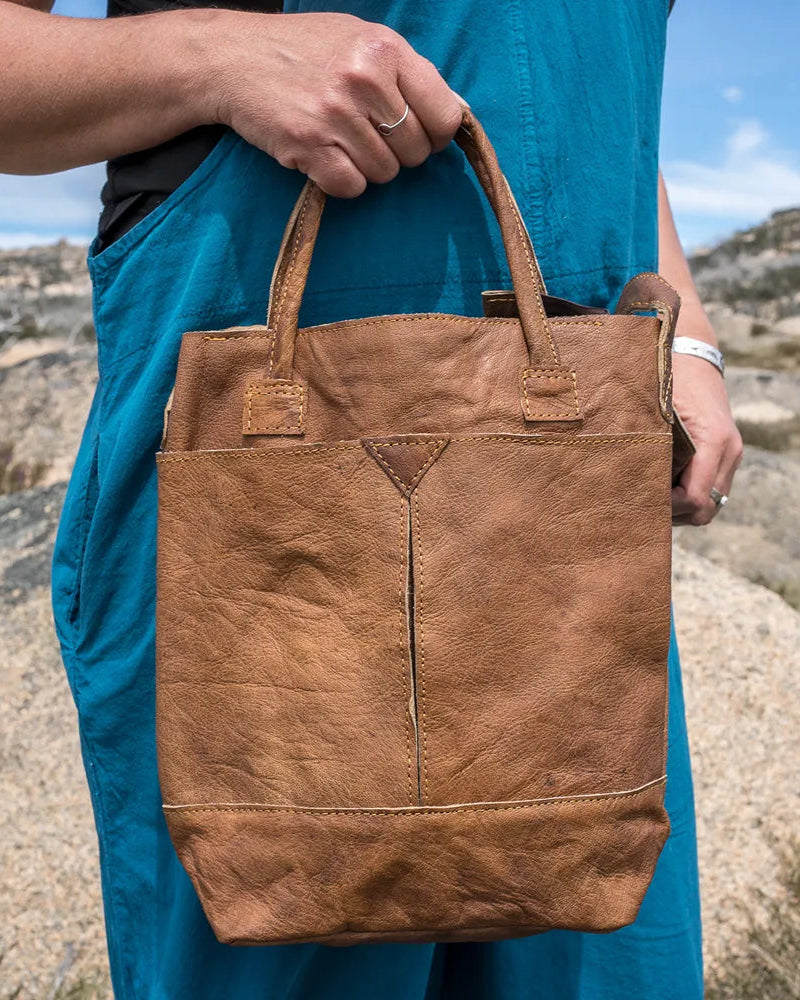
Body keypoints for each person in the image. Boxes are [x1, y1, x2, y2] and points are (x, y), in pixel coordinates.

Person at [1, 0, 742, 997]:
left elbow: (601, 89)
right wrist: (214, 58)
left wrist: (686, 329)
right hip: (256, 433)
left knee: (591, 884)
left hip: (569, 491)